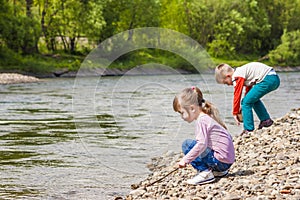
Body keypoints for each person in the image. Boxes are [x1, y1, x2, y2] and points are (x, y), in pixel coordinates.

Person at [173, 86, 235, 185]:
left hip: (220, 162)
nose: (181, 117)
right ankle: (219, 172)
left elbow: (201, 144)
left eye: (182, 113)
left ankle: (205, 173)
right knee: (196, 144)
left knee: (187, 144)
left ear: (192, 108)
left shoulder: (202, 120)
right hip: (227, 162)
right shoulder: (207, 117)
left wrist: (185, 160)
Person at [215, 62, 280, 134]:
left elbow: (237, 94)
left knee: (245, 102)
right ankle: (266, 121)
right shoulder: (241, 72)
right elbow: (249, 90)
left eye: (226, 83)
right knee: (251, 100)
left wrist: (235, 112)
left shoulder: (236, 76)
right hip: (273, 78)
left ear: (228, 76)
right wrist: (243, 107)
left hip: (268, 79)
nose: (227, 85)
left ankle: (248, 129)